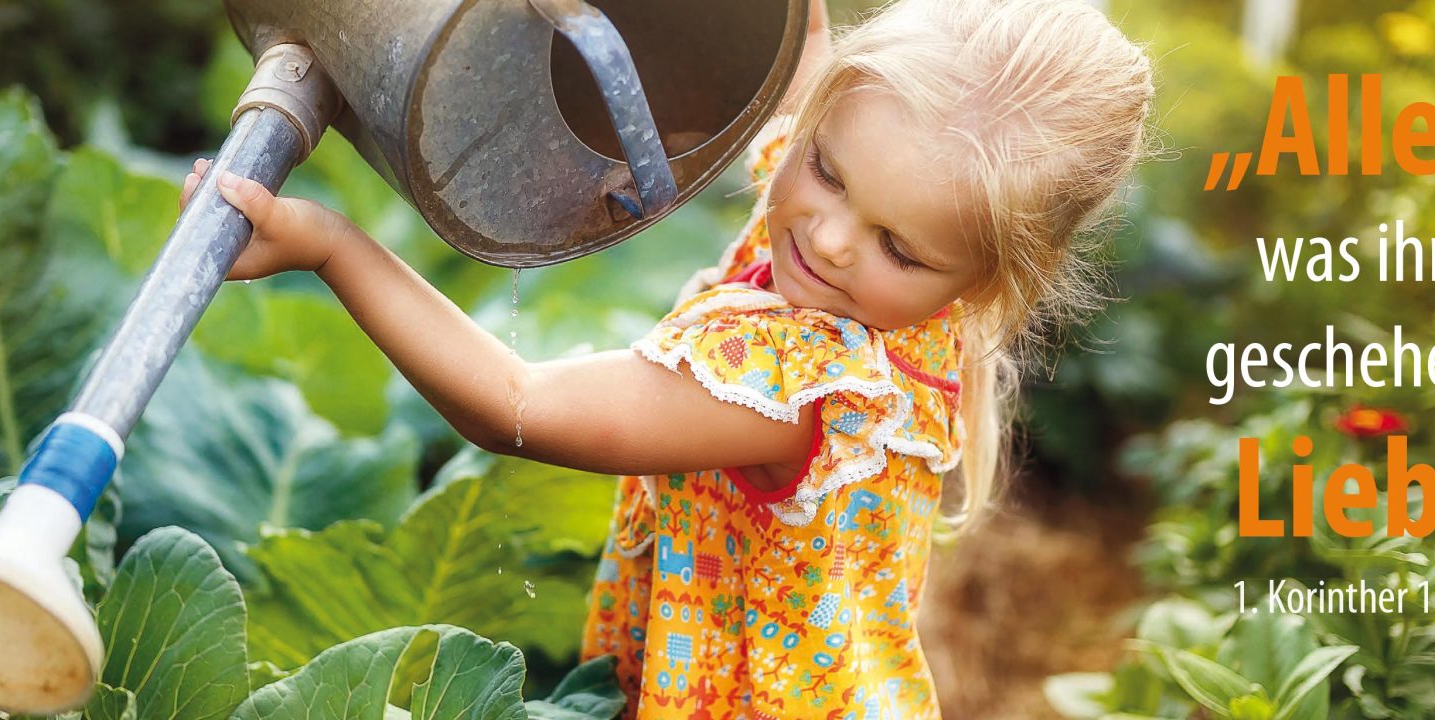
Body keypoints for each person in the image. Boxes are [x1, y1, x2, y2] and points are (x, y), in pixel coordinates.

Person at [181, 0, 1152, 714]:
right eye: (822, 166)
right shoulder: (896, 250)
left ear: (986, 280)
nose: (831, 237)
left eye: (898, 246)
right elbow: (800, 49)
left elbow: (512, 405)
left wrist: (331, 247)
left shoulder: (792, 385)